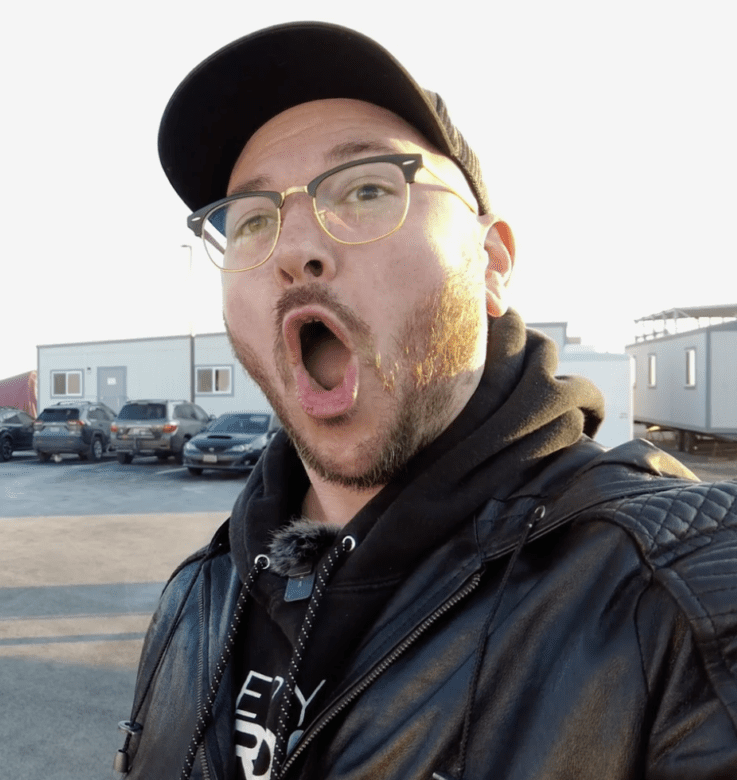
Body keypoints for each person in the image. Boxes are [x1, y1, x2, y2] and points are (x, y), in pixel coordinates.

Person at [115, 21, 737, 780]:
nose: (295, 249)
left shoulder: (677, 593)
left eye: (367, 189)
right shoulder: (198, 597)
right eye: (251, 220)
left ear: (491, 262)